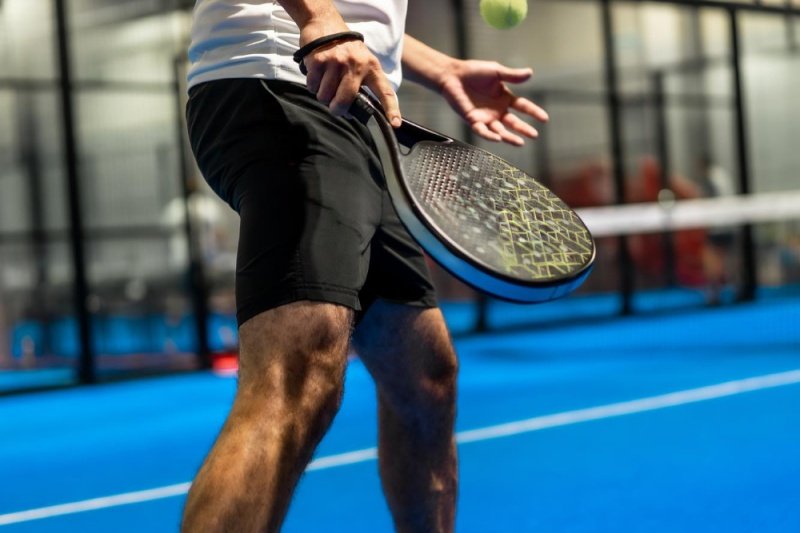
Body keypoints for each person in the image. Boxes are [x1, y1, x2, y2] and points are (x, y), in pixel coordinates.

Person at [181, 1, 548, 531]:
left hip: (353, 109)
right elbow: (331, 16)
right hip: (283, 81)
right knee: (298, 373)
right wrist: (317, 18)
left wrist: (440, 68)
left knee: (426, 376)